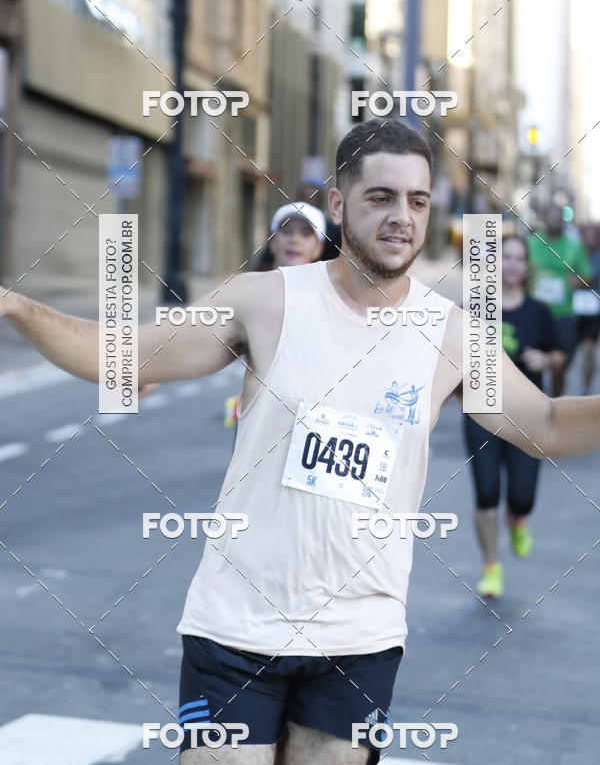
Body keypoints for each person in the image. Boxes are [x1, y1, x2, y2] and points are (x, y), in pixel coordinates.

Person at [3, 118, 600, 765]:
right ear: (338, 207)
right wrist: (17, 308)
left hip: (359, 640)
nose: (402, 216)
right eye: (381, 197)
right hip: (234, 627)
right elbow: (124, 357)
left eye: (418, 201)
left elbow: (543, 426)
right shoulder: (263, 301)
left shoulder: (451, 335)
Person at [463, 235, 566, 598]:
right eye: (505, 257)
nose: (512, 264)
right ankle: (491, 567)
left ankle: (518, 518)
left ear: (527, 266)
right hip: (482, 413)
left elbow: (559, 354)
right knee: (487, 492)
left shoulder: (539, 311)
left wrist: (548, 360)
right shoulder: (476, 307)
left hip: (527, 415)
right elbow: (453, 353)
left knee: (522, 496)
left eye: (519, 258)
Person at [225, 202, 325, 426]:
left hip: (310, 424)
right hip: (257, 421)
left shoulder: (332, 300)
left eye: (305, 233)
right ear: (272, 241)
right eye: (287, 231)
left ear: (318, 248)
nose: (294, 239)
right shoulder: (246, 293)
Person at [527, 204, 593, 396]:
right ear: (544, 218)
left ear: (563, 221)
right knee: (531, 365)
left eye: (558, 217)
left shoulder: (574, 245)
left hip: (562, 315)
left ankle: (555, 403)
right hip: (535, 313)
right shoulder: (532, 243)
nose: (554, 220)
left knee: (560, 366)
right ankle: (533, 404)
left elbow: (588, 276)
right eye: (551, 216)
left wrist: (578, 281)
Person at [577, 223, 600, 394]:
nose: (590, 238)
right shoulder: (575, 253)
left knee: (588, 350)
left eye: (594, 235)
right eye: (587, 234)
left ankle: (585, 386)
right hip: (574, 309)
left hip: (593, 311)